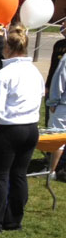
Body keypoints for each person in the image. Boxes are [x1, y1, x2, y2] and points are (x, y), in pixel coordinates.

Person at [0, 26, 43, 234]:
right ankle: (13, 220)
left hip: (9, 130)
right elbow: (40, 96)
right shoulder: (34, 72)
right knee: (19, 174)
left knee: (1, 176)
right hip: (30, 127)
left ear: (8, 48)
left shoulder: (4, 75)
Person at [47, 52, 66, 180]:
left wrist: (53, 101)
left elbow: (59, 80)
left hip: (63, 105)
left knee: (57, 139)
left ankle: (51, 171)